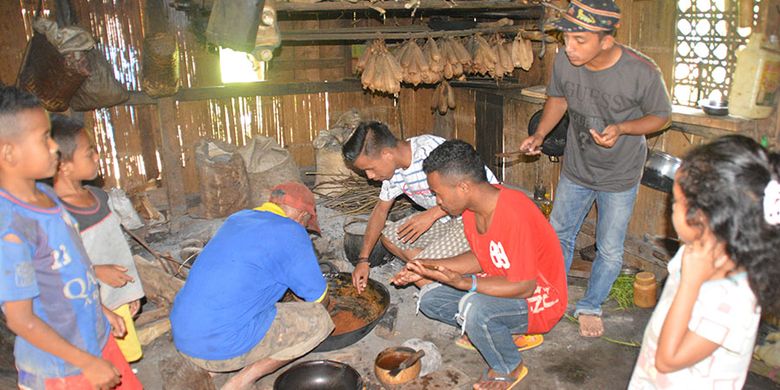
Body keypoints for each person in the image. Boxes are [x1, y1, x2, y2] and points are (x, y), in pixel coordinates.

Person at [518, 0, 672, 337]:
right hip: (577, 167)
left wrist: (623, 128)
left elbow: (662, 116)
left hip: (620, 175)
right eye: (566, 39)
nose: (569, 48)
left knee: (610, 247)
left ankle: (590, 305)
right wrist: (540, 134)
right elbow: (558, 99)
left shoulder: (641, 71)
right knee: (558, 234)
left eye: (580, 41)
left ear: (606, 40)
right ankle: (552, 293)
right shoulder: (565, 60)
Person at [391, 140, 567, 390]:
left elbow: (526, 286)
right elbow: (481, 257)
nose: (437, 201)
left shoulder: (515, 213)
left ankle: (509, 365)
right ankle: (504, 331)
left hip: (540, 298)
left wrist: (466, 283)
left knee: (473, 307)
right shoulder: (471, 209)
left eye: (438, 193)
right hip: (505, 285)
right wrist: (425, 266)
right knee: (431, 299)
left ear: (463, 187)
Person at [0, 86, 141, 389]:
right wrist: (86, 363)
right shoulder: (11, 229)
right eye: (43, 139)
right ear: (9, 152)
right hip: (62, 368)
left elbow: (69, 271)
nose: (54, 147)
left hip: (94, 340)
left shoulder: (49, 199)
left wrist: (101, 311)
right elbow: (19, 320)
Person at [629, 135, 780, 388]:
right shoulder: (696, 249)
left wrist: (691, 282)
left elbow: (669, 359)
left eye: (676, 202)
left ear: (707, 219)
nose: (672, 210)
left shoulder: (736, 297)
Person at [170, 182, 334, 390]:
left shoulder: (238, 218)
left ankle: (211, 368)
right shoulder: (292, 232)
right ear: (303, 216)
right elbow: (319, 300)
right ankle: (242, 381)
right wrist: (323, 304)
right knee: (320, 320)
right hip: (221, 346)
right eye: (305, 223)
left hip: (183, 335)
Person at [342, 121, 498, 294]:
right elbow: (380, 211)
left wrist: (430, 215)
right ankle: (448, 266)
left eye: (369, 169)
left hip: (472, 216)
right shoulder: (392, 173)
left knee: (419, 269)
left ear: (386, 154)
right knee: (389, 238)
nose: (369, 176)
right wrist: (363, 259)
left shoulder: (428, 151)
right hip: (446, 218)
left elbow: (469, 190)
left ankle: (444, 292)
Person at [51, 114, 145, 364]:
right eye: (89, 152)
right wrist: (95, 271)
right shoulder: (57, 215)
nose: (97, 156)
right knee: (97, 360)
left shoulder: (99, 197)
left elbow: (117, 249)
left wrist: (130, 292)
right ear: (64, 166)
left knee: (122, 362)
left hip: (116, 294)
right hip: (85, 305)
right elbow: (55, 270)